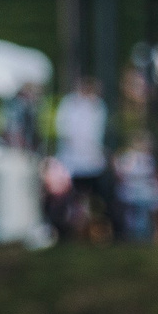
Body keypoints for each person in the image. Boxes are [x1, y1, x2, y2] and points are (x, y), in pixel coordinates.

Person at [53, 76, 110, 234]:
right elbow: (67, 132)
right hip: (73, 161)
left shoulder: (98, 106)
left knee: (94, 195)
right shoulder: (70, 104)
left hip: (91, 161)